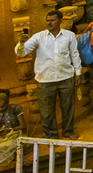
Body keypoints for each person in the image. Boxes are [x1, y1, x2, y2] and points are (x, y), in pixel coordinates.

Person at [15, 10, 79, 138]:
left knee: (68, 108)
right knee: (46, 111)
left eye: (52, 20)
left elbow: (74, 54)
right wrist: (21, 43)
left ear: (60, 21)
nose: (49, 23)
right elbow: (21, 53)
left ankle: (68, 132)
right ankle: (51, 136)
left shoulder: (70, 35)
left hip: (66, 77)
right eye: (48, 20)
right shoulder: (38, 37)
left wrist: (78, 72)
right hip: (45, 79)